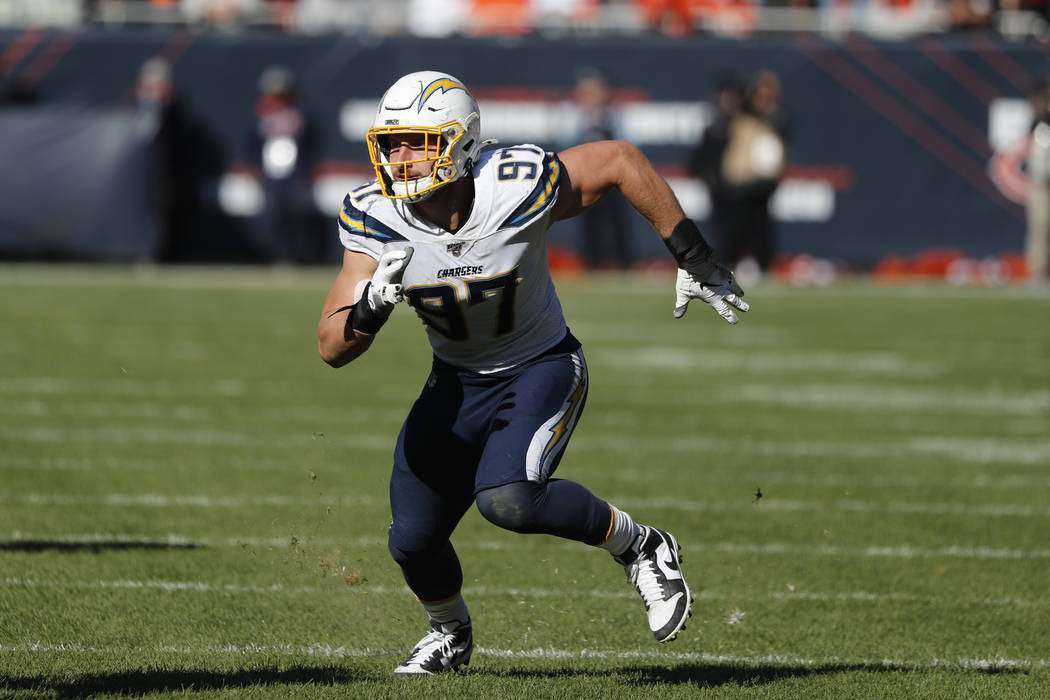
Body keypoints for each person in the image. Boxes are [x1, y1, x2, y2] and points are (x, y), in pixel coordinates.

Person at [316, 71, 749, 677]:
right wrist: (370, 307)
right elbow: (332, 346)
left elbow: (621, 160)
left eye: (416, 141)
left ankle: (641, 544)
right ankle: (449, 632)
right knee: (411, 540)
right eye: (392, 144)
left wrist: (692, 252)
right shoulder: (376, 215)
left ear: (460, 140)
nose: (400, 158)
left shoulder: (513, 184)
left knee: (509, 500)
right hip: (456, 381)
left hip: (539, 365)